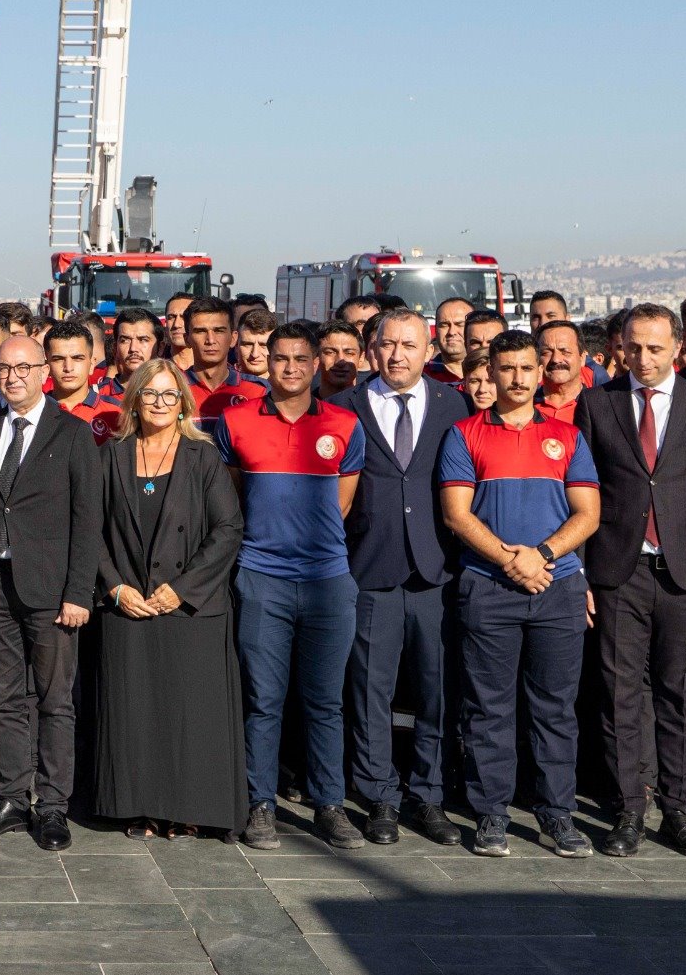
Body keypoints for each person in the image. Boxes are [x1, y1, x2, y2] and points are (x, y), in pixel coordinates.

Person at [572, 304, 686, 859]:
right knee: (620, 695)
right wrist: (580, 573)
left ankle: (679, 812)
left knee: (680, 696)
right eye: (633, 347)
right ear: (619, 348)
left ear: (677, 348)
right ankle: (629, 810)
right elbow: (582, 491)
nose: (643, 358)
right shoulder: (596, 404)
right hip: (617, 571)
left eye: (654, 347)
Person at [438, 328, 600, 858]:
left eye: (527, 368)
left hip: (557, 586)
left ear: (539, 372)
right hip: (488, 587)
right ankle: (491, 814)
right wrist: (511, 560)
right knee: (489, 708)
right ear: (491, 371)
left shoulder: (568, 437)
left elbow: (588, 514)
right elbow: (457, 515)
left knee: (555, 708)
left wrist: (542, 555)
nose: (517, 378)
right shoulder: (463, 435)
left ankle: (557, 814)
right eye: (506, 368)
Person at [213, 323, 365, 851]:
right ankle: (260, 803)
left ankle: (329, 804)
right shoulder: (235, 422)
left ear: (316, 364)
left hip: (328, 581)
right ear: (265, 362)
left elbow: (343, 503)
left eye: (302, 359)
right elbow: (233, 501)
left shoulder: (345, 424)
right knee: (263, 699)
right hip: (261, 579)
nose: (292, 368)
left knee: (325, 702)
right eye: (281, 358)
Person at [0, 335, 103, 851]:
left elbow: (88, 521)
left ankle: (53, 805)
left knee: (55, 701)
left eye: (22, 368)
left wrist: (79, 592)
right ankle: (14, 798)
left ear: (43, 372)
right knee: (6, 698)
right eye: (3, 369)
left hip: (52, 592)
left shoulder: (74, 433)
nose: (12, 377)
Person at [92, 357, 246, 840]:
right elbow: (89, 530)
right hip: (129, 604)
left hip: (190, 607)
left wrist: (182, 589)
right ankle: (139, 807)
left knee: (189, 714)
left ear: (183, 403)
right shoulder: (111, 456)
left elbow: (228, 529)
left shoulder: (204, 458)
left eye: (169, 394)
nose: (159, 402)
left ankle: (188, 808)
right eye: (150, 393)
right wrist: (115, 587)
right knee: (135, 711)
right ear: (134, 400)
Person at [331, 308, 467, 846]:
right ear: (372, 349)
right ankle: (379, 797)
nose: (397, 355)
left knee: (437, 692)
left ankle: (428, 795)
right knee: (371, 692)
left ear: (428, 351)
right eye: (388, 344)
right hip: (370, 568)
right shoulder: (344, 407)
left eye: (410, 345)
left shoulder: (453, 405)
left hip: (436, 571)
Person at [181, 300, 259, 422]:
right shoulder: (173, 387)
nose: (210, 340)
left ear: (233, 338)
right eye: (201, 331)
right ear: (187, 340)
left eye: (219, 331)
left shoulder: (259, 391)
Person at [532, 321, 587, 423]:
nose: (556, 359)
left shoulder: (599, 406)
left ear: (582, 358)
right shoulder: (523, 407)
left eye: (565, 352)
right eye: (546, 352)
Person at [428, 298, 475, 385]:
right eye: (444, 325)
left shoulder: (492, 371)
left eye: (460, 324)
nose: (452, 332)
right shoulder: (422, 377)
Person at [315, 320, 364, 400]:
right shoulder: (304, 406)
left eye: (349, 353)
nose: (340, 361)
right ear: (316, 357)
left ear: (361, 358)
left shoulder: (372, 405)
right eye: (330, 352)